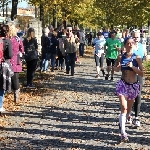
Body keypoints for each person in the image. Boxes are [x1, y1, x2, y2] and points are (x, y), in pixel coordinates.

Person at [114, 36, 144, 142]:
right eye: (128, 43)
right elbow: (117, 69)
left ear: (134, 45)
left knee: (128, 110)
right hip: (123, 84)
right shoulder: (121, 56)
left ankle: (124, 119)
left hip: (133, 85)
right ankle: (123, 133)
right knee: (124, 107)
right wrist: (115, 66)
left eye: (132, 43)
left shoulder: (137, 57)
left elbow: (142, 73)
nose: (130, 45)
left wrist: (133, 67)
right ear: (125, 45)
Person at [126, 30, 147, 127]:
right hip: (130, 73)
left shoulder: (142, 47)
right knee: (130, 95)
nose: (136, 39)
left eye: (137, 37)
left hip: (139, 73)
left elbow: (145, 58)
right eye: (134, 37)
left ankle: (136, 117)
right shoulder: (129, 47)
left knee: (138, 94)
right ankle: (128, 113)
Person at [8, 23, 24, 103]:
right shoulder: (17, 39)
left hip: (9, 60)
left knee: (12, 78)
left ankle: (14, 94)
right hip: (16, 60)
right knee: (15, 78)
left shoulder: (7, 39)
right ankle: (16, 96)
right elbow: (22, 49)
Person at [0, 24, 13, 112]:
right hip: (3, 65)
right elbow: (10, 55)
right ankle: (0, 105)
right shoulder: (7, 41)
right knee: (2, 86)